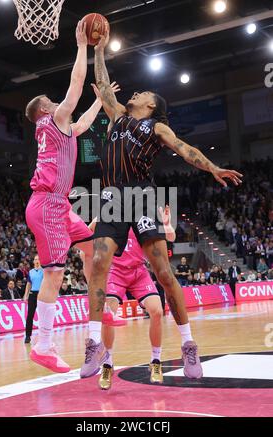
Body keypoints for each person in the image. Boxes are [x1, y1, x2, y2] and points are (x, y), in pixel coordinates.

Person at [80, 30, 243, 380]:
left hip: (139, 197)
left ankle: (188, 344)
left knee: (165, 275)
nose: (134, 93)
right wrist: (98, 49)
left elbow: (187, 150)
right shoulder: (118, 115)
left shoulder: (156, 128)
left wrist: (213, 168)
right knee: (98, 262)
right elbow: (103, 83)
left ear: (152, 105)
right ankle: (94, 343)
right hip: (111, 196)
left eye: (141, 93)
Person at [25, 22, 108, 373]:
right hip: (46, 205)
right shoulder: (53, 119)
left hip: (59, 205)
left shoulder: (61, 127)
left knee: (92, 248)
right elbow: (74, 88)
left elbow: (83, 123)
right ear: (44, 110)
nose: (56, 101)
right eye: (50, 100)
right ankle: (43, 345)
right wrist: (81, 46)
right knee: (55, 275)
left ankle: (100, 306)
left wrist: (101, 101)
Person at [96, 206, 175, 389]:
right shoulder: (111, 212)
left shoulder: (147, 213)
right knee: (109, 313)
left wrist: (167, 224)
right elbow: (89, 232)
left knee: (156, 310)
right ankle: (107, 364)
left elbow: (170, 237)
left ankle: (155, 361)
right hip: (116, 271)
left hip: (138, 271)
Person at [23, 255, 44, 344]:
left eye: (38, 259)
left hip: (41, 294)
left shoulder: (43, 271)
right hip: (32, 294)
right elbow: (28, 284)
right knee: (30, 315)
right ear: (33, 261)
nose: (36, 260)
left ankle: (44, 336)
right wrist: (26, 294)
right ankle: (28, 336)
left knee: (43, 316)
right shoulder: (31, 272)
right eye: (35, 259)